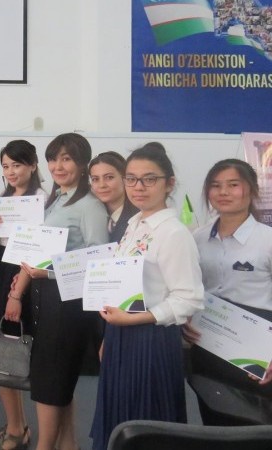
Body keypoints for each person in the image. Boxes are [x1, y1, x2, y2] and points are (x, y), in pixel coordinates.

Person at [90, 143, 204, 450]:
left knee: (146, 423)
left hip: (151, 340)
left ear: (169, 183)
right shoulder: (135, 224)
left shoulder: (173, 233)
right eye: (131, 179)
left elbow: (188, 299)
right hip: (121, 334)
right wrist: (110, 335)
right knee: (120, 418)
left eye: (149, 179)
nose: (138, 187)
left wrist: (132, 320)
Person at [8, 133, 109, 450]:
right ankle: (68, 445)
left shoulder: (90, 206)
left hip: (68, 305)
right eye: (53, 159)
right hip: (46, 299)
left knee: (51, 383)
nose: (58, 166)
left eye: (66, 159)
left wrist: (49, 273)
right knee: (56, 382)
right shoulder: (58, 199)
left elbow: (99, 261)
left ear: (83, 163)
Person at [183, 158, 272, 425]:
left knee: (256, 428)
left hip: (257, 350)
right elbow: (189, 288)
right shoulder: (197, 239)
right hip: (207, 346)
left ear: (251, 189)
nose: (223, 192)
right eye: (216, 185)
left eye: (233, 185)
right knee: (213, 422)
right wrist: (185, 319)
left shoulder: (267, 240)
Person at [0, 140, 42, 450]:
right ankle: (17, 425)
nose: (10, 172)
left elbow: (36, 248)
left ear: (32, 165)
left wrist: (17, 293)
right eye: (5, 166)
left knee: (18, 351)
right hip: (3, 268)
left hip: (25, 275)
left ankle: (19, 430)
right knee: (5, 353)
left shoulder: (42, 199)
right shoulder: (4, 198)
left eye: (17, 165)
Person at [89, 151, 139, 242]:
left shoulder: (138, 217)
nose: (102, 185)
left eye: (109, 177)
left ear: (125, 179)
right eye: (95, 179)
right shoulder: (92, 215)